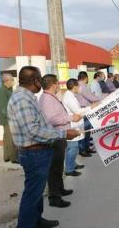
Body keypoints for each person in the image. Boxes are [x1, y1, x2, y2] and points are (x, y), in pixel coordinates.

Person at [7, 66, 79, 228]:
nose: (42, 81)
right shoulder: (22, 99)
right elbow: (33, 131)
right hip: (33, 152)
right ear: (35, 80)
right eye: (40, 78)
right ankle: (26, 224)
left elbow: (40, 124)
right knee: (32, 193)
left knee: (37, 191)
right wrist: (63, 134)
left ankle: (36, 220)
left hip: (39, 150)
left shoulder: (29, 96)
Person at [39, 74, 83, 208]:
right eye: (57, 83)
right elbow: (52, 119)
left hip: (60, 136)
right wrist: (70, 119)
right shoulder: (46, 99)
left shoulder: (51, 97)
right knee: (54, 168)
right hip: (55, 137)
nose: (59, 85)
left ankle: (60, 189)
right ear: (53, 84)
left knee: (58, 166)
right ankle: (54, 197)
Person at [63, 79, 96, 176]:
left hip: (76, 124)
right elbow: (78, 111)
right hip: (73, 125)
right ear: (74, 87)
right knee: (72, 148)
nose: (80, 88)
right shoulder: (69, 98)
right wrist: (90, 108)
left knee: (74, 147)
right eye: (78, 86)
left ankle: (72, 164)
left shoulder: (71, 96)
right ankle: (69, 169)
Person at [77, 71, 101, 156]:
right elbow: (90, 97)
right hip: (84, 110)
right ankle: (84, 149)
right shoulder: (82, 87)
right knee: (85, 130)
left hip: (83, 109)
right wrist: (101, 98)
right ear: (86, 78)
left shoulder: (78, 85)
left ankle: (85, 148)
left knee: (86, 130)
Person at [0, 73, 18, 163]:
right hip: (7, 118)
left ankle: (7, 156)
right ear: (7, 81)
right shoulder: (1, 91)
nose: (13, 81)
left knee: (7, 137)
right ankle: (14, 158)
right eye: (12, 80)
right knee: (11, 138)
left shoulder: (9, 89)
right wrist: (10, 117)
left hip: (9, 116)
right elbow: (3, 107)